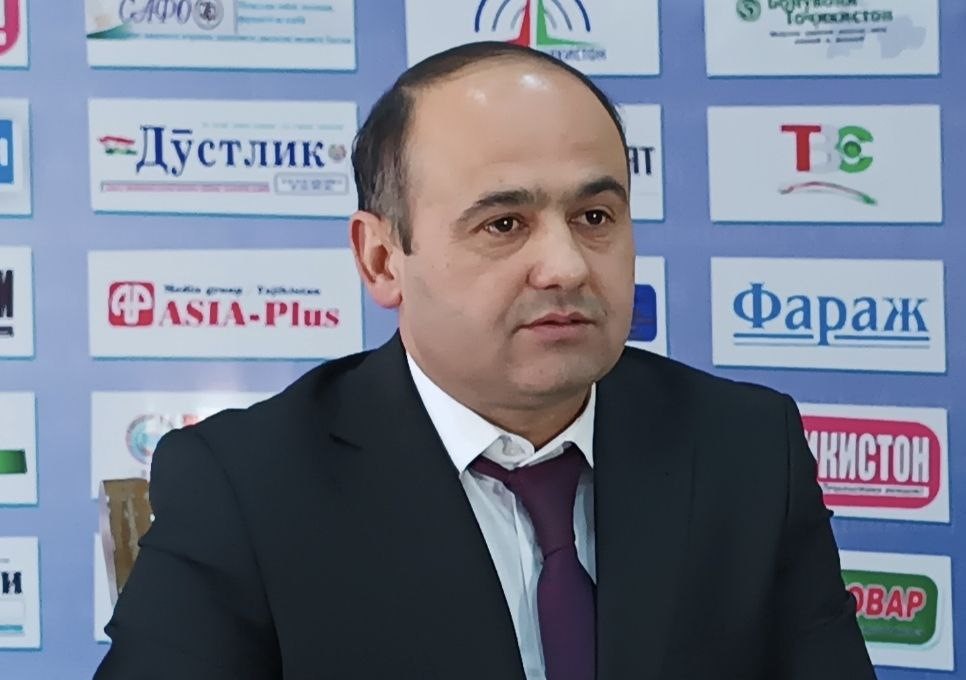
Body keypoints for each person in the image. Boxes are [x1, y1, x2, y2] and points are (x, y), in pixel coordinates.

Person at [93, 42, 877, 680]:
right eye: (504, 225)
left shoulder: (747, 448)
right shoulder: (248, 485)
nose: (566, 265)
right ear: (381, 260)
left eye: (594, 215)